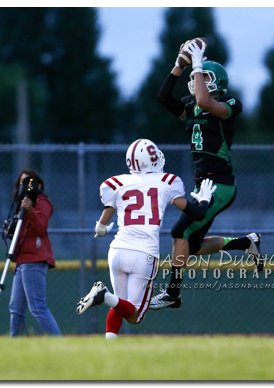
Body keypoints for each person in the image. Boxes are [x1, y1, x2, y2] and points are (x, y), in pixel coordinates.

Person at [150, 39, 263, 310]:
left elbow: (204, 99)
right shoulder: (191, 105)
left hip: (220, 184)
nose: (196, 80)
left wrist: (198, 62)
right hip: (203, 184)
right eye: (197, 76)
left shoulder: (229, 102)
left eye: (203, 76)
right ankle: (246, 242)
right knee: (192, 245)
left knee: (180, 232)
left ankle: (172, 293)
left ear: (219, 80)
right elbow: (163, 98)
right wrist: (179, 65)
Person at [75, 139, 216, 339]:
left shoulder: (117, 183)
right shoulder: (167, 182)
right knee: (135, 316)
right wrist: (204, 200)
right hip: (144, 253)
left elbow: (104, 218)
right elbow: (198, 214)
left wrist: (101, 229)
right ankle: (102, 295)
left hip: (117, 251)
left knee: (120, 303)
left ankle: (109, 346)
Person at [8, 169, 61, 336]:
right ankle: (15, 345)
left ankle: (58, 341)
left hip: (34, 259)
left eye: (30, 182)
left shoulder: (41, 202)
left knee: (37, 307)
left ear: (38, 185)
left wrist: (30, 211)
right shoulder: (20, 207)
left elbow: (40, 228)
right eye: (23, 182)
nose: (26, 186)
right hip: (22, 260)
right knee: (16, 309)